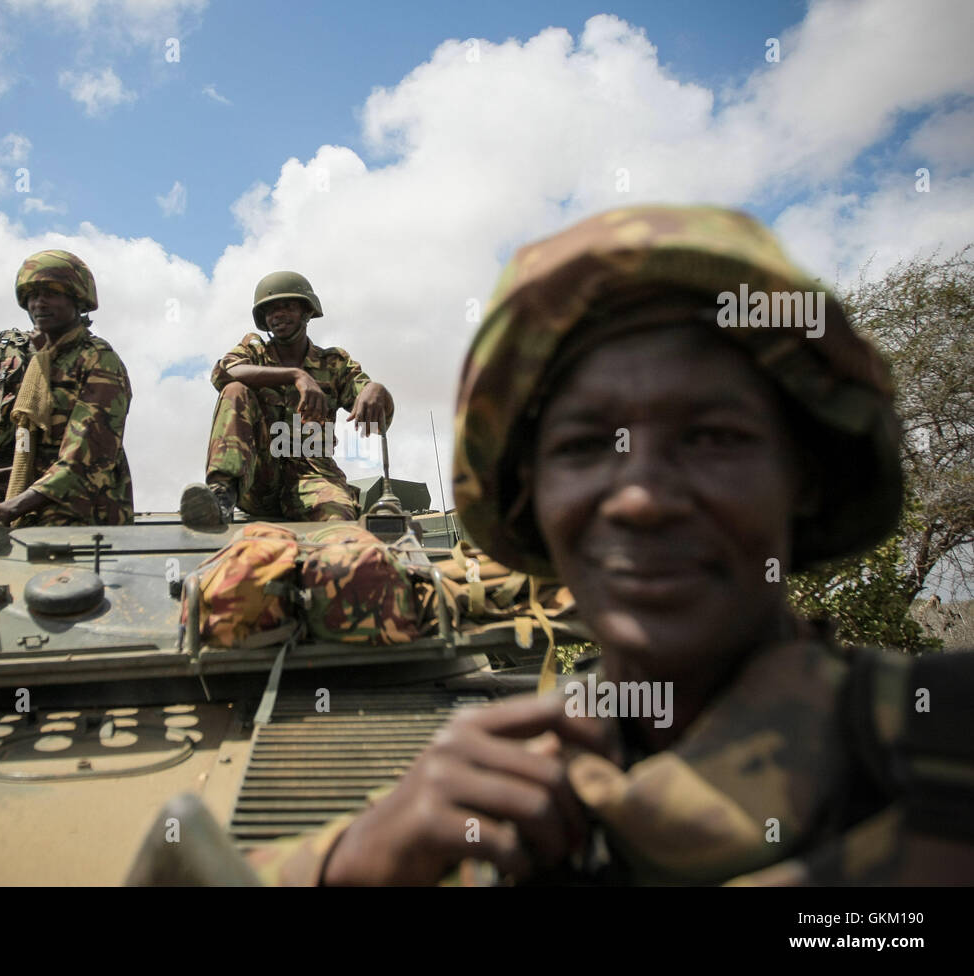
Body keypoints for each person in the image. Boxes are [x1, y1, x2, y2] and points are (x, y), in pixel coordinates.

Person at [246, 205, 974, 885]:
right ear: (531, 498)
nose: (642, 499)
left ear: (806, 476)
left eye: (712, 437)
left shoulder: (944, 755)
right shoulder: (469, 812)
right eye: (586, 445)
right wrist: (355, 862)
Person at [0, 249, 134, 527]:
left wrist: (9, 508)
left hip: (77, 512)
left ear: (78, 299)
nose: (39, 303)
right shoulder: (8, 348)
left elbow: (84, 460)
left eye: (52, 293)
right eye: (33, 295)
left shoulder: (99, 361)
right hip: (20, 499)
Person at [180, 271, 393, 528]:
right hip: (257, 478)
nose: (278, 314)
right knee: (235, 390)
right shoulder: (255, 351)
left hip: (312, 476)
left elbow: (371, 410)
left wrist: (377, 389)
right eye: (270, 310)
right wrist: (295, 375)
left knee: (337, 522)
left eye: (287, 306)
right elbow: (224, 372)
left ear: (306, 311)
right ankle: (221, 495)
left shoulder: (334, 364)